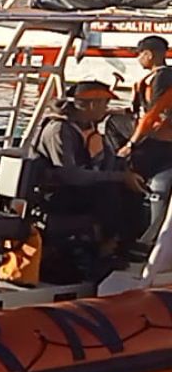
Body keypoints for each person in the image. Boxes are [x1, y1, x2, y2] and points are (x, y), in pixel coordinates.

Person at [35, 81, 148, 270]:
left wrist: (127, 174)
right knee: (108, 191)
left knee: (131, 190)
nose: (107, 108)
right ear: (91, 105)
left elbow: (106, 161)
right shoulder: (59, 130)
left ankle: (123, 243)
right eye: (104, 103)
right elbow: (70, 175)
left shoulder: (89, 127)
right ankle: (106, 248)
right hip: (57, 193)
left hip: (80, 188)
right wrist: (118, 178)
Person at [119, 35, 172, 178]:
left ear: (148, 54)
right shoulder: (158, 76)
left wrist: (131, 144)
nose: (138, 59)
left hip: (160, 137)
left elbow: (154, 113)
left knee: (113, 124)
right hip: (156, 130)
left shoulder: (162, 78)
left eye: (139, 54)